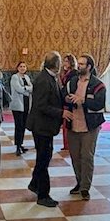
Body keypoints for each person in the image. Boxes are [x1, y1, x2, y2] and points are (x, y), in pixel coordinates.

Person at [64, 54, 105, 200]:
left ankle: (85, 187)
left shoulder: (98, 85)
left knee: (87, 156)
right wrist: (67, 100)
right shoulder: (72, 82)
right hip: (73, 124)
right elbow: (63, 95)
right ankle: (79, 182)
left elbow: (99, 104)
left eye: (82, 64)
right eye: (78, 63)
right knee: (75, 156)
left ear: (88, 67)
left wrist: (83, 101)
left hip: (90, 126)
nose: (78, 66)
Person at [27, 52, 64, 207]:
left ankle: (34, 184)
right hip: (41, 126)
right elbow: (41, 105)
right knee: (43, 159)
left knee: (44, 157)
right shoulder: (43, 80)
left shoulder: (49, 77)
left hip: (45, 125)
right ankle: (43, 195)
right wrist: (61, 112)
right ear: (56, 64)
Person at [9, 61, 32, 155]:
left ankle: (21, 144)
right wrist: (27, 89)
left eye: (24, 66)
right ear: (17, 68)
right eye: (21, 66)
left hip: (26, 104)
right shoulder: (15, 77)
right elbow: (19, 89)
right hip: (18, 105)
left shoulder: (27, 77)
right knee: (18, 126)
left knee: (23, 126)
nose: (22, 68)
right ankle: (17, 146)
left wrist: (26, 88)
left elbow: (32, 87)